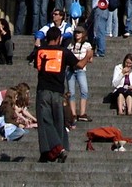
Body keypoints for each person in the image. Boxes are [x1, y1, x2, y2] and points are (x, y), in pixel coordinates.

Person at [34, 26, 77, 163]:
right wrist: (88, 56)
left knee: (45, 122)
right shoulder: (64, 51)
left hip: (43, 90)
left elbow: (37, 65)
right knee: (58, 121)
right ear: (59, 38)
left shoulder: (40, 51)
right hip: (58, 92)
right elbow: (79, 65)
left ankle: (55, 150)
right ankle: (55, 151)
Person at [67, 25, 93, 125]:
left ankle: (82, 113)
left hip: (81, 69)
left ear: (83, 34)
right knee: (71, 92)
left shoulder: (87, 45)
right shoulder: (71, 45)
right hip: (71, 69)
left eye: (79, 32)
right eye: (76, 32)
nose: (77, 34)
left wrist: (84, 60)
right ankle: (73, 113)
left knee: (84, 90)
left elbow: (90, 58)